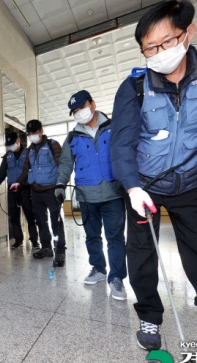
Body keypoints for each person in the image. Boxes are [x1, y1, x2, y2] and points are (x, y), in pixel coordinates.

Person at [110, 0, 197, 350]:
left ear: (187, 33)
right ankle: (148, 314)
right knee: (141, 251)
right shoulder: (135, 87)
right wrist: (131, 187)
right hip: (146, 186)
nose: (158, 53)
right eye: (149, 48)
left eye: (165, 42)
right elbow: (122, 142)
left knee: (196, 247)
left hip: (190, 181)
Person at [55, 90, 127, 300]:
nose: (79, 113)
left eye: (81, 108)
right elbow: (67, 162)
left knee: (115, 237)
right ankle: (98, 269)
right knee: (92, 236)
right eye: (75, 111)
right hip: (86, 195)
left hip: (113, 193)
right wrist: (60, 183)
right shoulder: (73, 136)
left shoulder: (113, 127)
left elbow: (126, 153)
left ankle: (116, 278)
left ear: (93, 104)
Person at [12, 120, 65, 267]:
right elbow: (25, 170)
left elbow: (62, 166)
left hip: (52, 189)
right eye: (29, 134)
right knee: (41, 221)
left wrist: (61, 185)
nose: (31, 136)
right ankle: (46, 247)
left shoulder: (53, 144)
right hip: (35, 191)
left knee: (56, 221)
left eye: (34, 133)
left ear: (41, 131)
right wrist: (18, 182)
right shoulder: (29, 150)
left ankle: (60, 251)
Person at [0, 132, 39, 250]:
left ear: (18, 140)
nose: (11, 146)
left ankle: (34, 241)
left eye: (12, 143)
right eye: (9, 144)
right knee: (14, 217)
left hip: (26, 189)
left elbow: (34, 171)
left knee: (30, 216)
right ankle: (18, 240)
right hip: (12, 191)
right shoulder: (7, 156)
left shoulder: (28, 153)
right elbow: (2, 174)